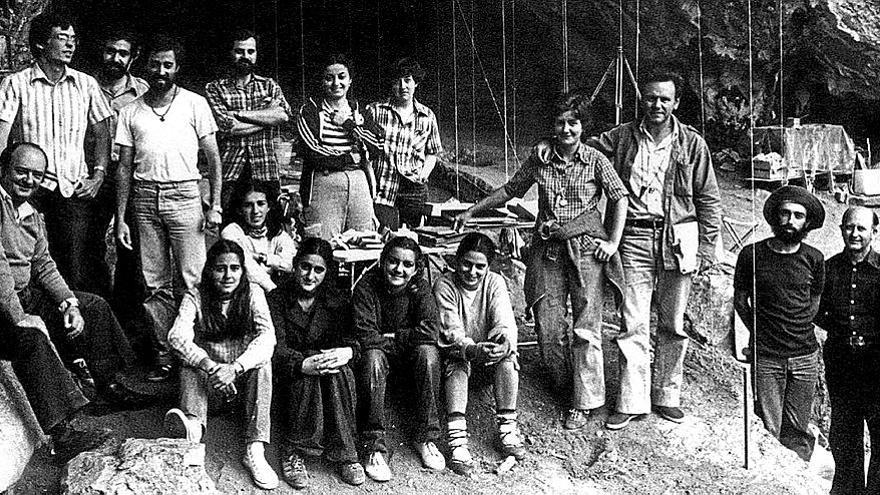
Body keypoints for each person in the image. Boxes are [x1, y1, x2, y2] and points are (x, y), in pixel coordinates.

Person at [455, 93, 628, 430]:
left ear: (583, 126)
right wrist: (472, 210)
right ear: (553, 126)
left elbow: (619, 197)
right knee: (548, 325)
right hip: (548, 250)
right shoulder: (541, 158)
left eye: (573, 123)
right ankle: (565, 387)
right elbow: (511, 189)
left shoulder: (595, 160)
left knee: (585, 327)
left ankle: (585, 401)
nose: (566, 129)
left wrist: (612, 240)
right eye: (560, 123)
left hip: (587, 250)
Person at [585, 70, 722, 430]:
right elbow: (580, 149)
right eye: (651, 98)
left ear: (676, 103)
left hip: (679, 238)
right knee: (633, 320)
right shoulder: (621, 138)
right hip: (633, 237)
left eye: (665, 99)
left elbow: (709, 198)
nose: (657, 105)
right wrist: (549, 146)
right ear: (641, 100)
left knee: (674, 322)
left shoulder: (693, 144)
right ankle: (631, 400)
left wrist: (708, 248)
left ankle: (666, 395)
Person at [114, 35, 223, 382]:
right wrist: (121, 219)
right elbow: (124, 168)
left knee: (194, 279)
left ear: (177, 68)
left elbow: (213, 159)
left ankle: (200, 349)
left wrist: (215, 204)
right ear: (144, 64)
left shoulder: (194, 104)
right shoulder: (130, 111)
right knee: (155, 284)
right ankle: (166, 354)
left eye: (168, 65)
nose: (161, 71)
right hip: (144, 200)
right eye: (155, 64)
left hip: (185, 195)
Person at [0, 142, 135, 406]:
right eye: (21, 171)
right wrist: (19, 317)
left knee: (93, 307)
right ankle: (62, 432)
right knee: (32, 338)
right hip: (3, 304)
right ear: (3, 168)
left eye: (36, 175)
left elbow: (43, 264)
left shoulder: (31, 212)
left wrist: (68, 303)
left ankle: (108, 387)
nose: (29, 180)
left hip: (24, 294)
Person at [0, 12, 114, 298]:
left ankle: (75, 330)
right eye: (62, 38)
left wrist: (98, 175)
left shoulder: (86, 84)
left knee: (73, 270)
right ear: (40, 43)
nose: (70, 45)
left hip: (72, 192)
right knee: (25, 266)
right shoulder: (16, 84)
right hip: (29, 193)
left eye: (73, 39)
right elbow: (1, 139)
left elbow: (103, 132)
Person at [164, 240, 277, 490]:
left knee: (263, 363)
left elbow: (268, 338)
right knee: (188, 361)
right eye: (220, 268)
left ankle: (254, 448)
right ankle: (192, 432)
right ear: (209, 270)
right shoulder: (196, 295)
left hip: (241, 387)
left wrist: (235, 368)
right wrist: (212, 367)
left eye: (234, 268)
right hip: (210, 386)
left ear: (242, 270)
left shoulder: (253, 293)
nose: (228, 275)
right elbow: (177, 336)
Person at [733, 185, 825, 462]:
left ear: (807, 222)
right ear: (775, 217)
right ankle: (770, 481)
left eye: (798, 215)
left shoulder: (814, 259)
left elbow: (815, 302)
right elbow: (740, 301)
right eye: (784, 214)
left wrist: (796, 327)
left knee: (798, 427)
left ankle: (797, 477)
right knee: (768, 426)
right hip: (767, 356)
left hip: (804, 356)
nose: (790, 221)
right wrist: (759, 331)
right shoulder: (751, 255)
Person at [268, 237, 365, 488]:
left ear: (327, 272)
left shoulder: (338, 300)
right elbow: (274, 347)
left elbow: (356, 340)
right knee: (311, 372)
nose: (310, 275)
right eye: (305, 267)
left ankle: (346, 453)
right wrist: (301, 364)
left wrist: (347, 352)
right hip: (290, 378)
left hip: (328, 376)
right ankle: (294, 449)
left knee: (338, 370)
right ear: (295, 265)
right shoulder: (277, 299)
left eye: (318, 270)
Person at [353, 236, 445, 480]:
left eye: (407, 264)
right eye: (393, 261)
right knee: (372, 357)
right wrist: (401, 340)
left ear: (416, 269)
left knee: (428, 354)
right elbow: (365, 336)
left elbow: (430, 331)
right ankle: (374, 446)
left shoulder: (420, 288)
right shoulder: (366, 287)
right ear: (382, 261)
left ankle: (426, 438)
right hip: (378, 360)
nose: (399, 269)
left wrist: (395, 336)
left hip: (409, 361)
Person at [434, 233, 526, 475]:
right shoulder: (444, 284)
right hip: (459, 357)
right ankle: (457, 440)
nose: (472, 272)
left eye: (480, 266)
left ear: (488, 266)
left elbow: (504, 320)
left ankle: (507, 427)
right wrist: (472, 349)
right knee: (458, 361)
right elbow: (450, 330)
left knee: (508, 358)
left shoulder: (495, 282)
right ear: (456, 260)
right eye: (466, 263)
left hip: (487, 360)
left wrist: (502, 343)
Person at [91, 28, 151, 355]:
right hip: (95, 178)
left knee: (132, 256)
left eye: (123, 53)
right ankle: (99, 331)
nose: (115, 58)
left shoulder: (143, 91)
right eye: (110, 51)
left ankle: (131, 337)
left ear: (133, 57)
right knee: (90, 252)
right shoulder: (85, 87)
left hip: (133, 178)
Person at [814, 206, 880, 493]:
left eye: (861, 229)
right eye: (849, 227)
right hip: (840, 359)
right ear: (841, 229)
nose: (854, 233)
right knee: (844, 430)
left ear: (874, 233)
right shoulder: (828, 268)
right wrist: (838, 326)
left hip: (876, 361)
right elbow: (816, 310)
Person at [296, 53, 383, 239]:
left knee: (365, 240)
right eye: (329, 78)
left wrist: (348, 124)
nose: (336, 83)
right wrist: (349, 157)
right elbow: (312, 151)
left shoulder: (359, 110)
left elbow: (377, 145)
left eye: (342, 77)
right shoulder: (310, 110)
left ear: (350, 80)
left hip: (359, 183)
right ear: (322, 81)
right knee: (323, 243)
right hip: (324, 183)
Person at [205, 28, 291, 212]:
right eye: (239, 51)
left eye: (250, 51)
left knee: (270, 229)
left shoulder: (269, 85)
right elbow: (227, 127)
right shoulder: (215, 88)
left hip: (266, 170)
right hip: (229, 173)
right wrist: (268, 116)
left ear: (256, 54)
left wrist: (239, 114)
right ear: (230, 53)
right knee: (229, 230)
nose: (245, 56)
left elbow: (283, 116)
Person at [365, 58, 442, 231]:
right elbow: (364, 152)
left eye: (407, 81)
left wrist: (423, 174)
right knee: (380, 235)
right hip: (381, 188)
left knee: (410, 237)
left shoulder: (427, 116)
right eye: (397, 82)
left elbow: (433, 152)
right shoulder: (375, 111)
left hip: (413, 191)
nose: (403, 86)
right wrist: (370, 181)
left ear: (416, 83)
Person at [220, 184, 297, 294]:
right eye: (248, 205)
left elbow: (291, 264)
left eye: (261, 204)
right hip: (245, 291)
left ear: (268, 207)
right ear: (240, 209)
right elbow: (247, 267)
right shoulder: (232, 231)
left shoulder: (277, 233)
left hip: (275, 290)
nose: (255, 211)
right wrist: (273, 290)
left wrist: (263, 258)